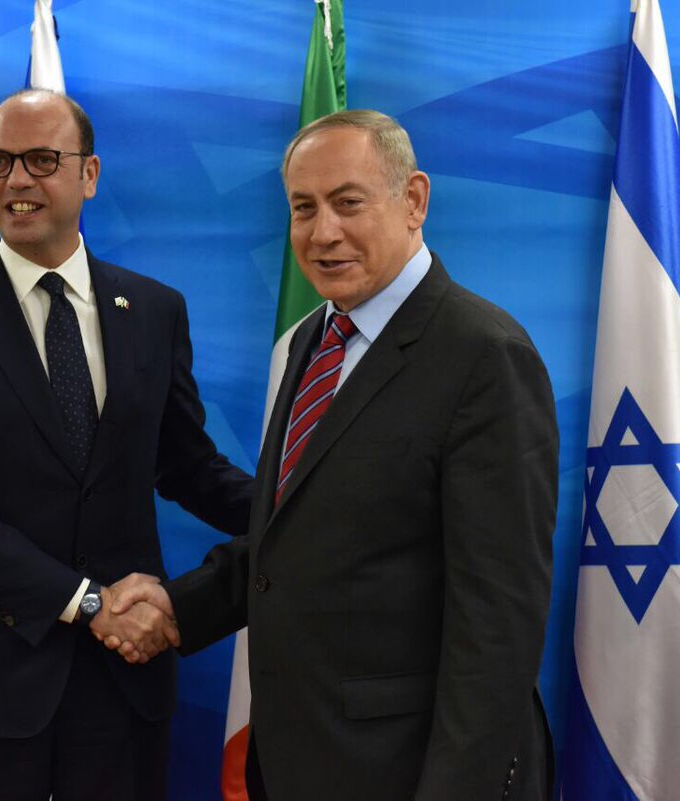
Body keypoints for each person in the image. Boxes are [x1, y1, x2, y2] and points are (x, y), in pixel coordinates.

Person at [110, 110, 559, 800]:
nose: (323, 233)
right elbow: (305, 535)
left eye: (348, 202)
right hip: (300, 761)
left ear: (414, 200)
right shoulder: (312, 340)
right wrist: (181, 605)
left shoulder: (485, 356)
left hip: (409, 773)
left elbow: (498, 624)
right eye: (304, 208)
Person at [0, 89, 253, 801]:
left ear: (90, 174)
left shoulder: (155, 310)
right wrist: (84, 602)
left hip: (124, 682)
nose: (17, 180)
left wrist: (294, 515)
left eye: (42, 160)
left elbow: (187, 466)